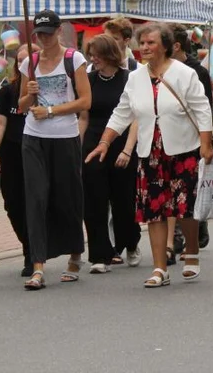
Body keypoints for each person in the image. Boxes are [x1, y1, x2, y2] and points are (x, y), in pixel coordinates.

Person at [93, 23, 213, 288]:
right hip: (150, 152)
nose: (145, 48)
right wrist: (105, 141)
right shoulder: (135, 78)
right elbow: (123, 112)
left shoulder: (184, 73)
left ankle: (191, 251)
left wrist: (206, 144)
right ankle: (160, 268)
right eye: (142, 43)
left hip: (183, 149)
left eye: (150, 43)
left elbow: (202, 108)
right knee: (155, 210)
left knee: (184, 208)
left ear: (166, 45)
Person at [19, 9, 92, 290]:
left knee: (68, 197)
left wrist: (50, 110)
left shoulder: (74, 59)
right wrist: (30, 93)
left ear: (59, 31)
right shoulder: (30, 62)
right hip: (33, 137)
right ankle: (38, 265)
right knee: (36, 199)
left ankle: (75, 254)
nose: (44, 39)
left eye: (49, 33)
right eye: (39, 34)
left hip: (64, 136)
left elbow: (85, 101)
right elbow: (22, 106)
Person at [80, 35, 140, 274]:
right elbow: (83, 117)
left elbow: (136, 117)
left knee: (124, 200)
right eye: (91, 54)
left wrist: (128, 149)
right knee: (94, 201)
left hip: (123, 141)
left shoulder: (130, 79)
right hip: (94, 142)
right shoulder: (89, 79)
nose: (93, 59)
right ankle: (99, 254)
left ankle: (130, 242)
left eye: (97, 54)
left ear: (110, 54)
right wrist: (78, 146)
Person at [169, 24, 213, 257]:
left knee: (189, 190)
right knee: (172, 191)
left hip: (193, 139)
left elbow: (205, 109)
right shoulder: (157, 70)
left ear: (175, 45)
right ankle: (176, 237)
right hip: (167, 138)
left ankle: (195, 230)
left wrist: (208, 141)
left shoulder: (198, 72)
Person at [0, 44, 31, 275]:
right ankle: (28, 244)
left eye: (29, 60)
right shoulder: (7, 92)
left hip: (39, 151)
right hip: (13, 153)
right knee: (13, 204)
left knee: (35, 203)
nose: (24, 65)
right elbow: (0, 122)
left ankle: (33, 253)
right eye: (21, 61)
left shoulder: (46, 90)